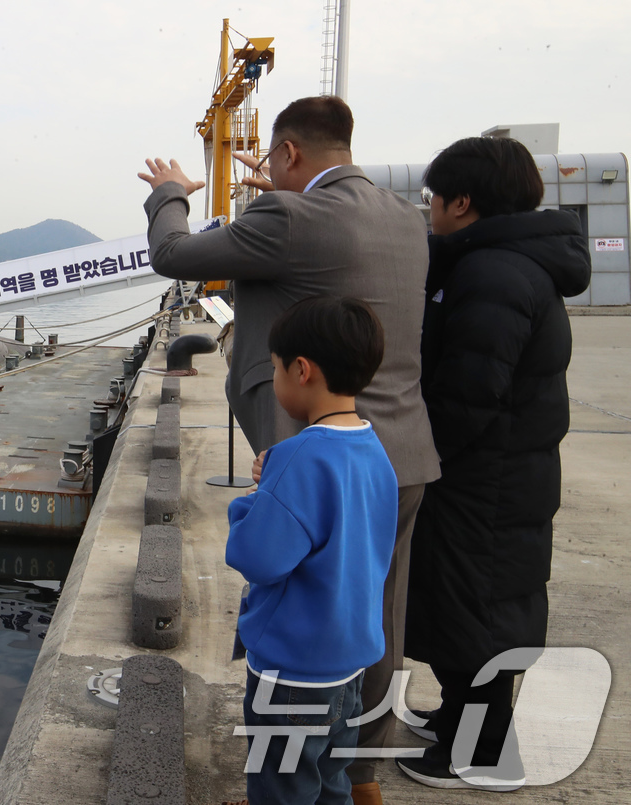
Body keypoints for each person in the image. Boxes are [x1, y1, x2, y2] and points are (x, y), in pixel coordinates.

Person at [138, 95, 439, 803]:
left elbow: (174, 254)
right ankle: (359, 775)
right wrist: (284, 191)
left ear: (291, 154)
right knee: (374, 618)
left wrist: (169, 193)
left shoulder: (287, 219)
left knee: (296, 603)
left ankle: (292, 768)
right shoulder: (404, 215)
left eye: (274, 159)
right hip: (398, 454)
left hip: (311, 454)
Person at [396, 137, 591, 791]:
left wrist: (423, 454)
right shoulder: (497, 264)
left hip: (485, 478)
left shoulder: (493, 273)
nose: (430, 213)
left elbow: (470, 391)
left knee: (475, 608)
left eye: (433, 200)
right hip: (497, 472)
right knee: (469, 606)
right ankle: (459, 722)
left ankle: (480, 752)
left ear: (463, 201)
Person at [228, 295, 397, 805]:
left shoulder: (299, 456)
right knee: (330, 784)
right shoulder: (373, 449)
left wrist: (254, 500)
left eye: (276, 368)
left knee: (282, 790)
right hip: (348, 669)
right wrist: (276, 482)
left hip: (291, 677)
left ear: (301, 370)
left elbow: (256, 557)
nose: (275, 378)